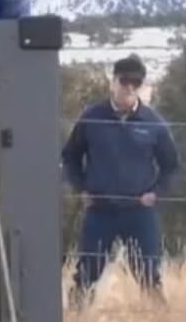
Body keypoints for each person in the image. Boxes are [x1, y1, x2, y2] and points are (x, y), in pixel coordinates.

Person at [61, 55, 179, 305]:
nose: (129, 88)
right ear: (112, 82)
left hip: (139, 211)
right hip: (100, 210)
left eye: (136, 83)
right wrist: (81, 189)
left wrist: (156, 193)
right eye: (124, 81)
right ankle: (76, 320)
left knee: (149, 275)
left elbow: (171, 167)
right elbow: (70, 157)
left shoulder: (153, 123)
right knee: (86, 273)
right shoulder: (91, 118)